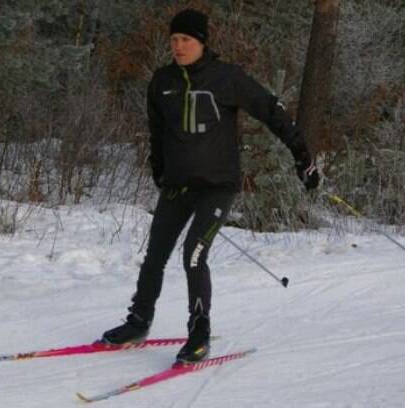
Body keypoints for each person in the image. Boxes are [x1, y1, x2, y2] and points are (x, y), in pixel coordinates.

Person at [100, 8, 319, 363]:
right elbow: (157, 133)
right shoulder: (162, 82)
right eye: (173, 40)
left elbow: (271, 111)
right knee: (154, 255)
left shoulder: (227, 78)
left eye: (186, 39)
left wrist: (302, 155)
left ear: (202, 42)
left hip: (217, 186)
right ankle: (138, 321)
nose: (178, 46)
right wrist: (159, 170)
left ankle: (199, 333)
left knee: (194, 254)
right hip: (177, 187)